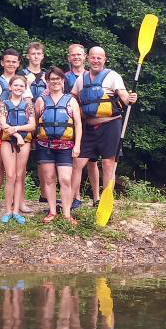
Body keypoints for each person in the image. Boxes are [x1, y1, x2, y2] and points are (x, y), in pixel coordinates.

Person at [70, 46, 137, 211]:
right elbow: (72, 97)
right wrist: (77, 112)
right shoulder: (81, 79)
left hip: (110, 125)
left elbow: (123, 96)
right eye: (93, 57)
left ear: (104, 59)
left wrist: (130, 99)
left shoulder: (112, 76)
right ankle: (72, 199)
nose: (96, 60)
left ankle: (106, 202)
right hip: (89, 127)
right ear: (88, 59)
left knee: (108, 164)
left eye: (99, 58)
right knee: (77, 162)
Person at [0, 49, 33, 214]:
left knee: (21, 169)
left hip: (20, 129)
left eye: (14, 61)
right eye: (8, 61)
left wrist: (16, 128)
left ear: (19, 63)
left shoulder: (21, 82)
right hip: (1, 128)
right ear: (2, 62)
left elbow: (27, 106)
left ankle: (20, 202)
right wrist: (7, 126)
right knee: (0, 165)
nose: (11, 64)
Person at [34, 66, 82, 222]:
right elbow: (35, 122)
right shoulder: (41, 101)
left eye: (58, 79)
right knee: (49, 179)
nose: (54, 82)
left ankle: (67, 213)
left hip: (65, 146)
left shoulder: (71, 100)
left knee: (65, 179)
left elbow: (78, 124)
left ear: (63, 81)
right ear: (47, 82)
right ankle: (53, 211)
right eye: (51, 79)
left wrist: (77, 145)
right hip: (44, 145)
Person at [64, 42, 99, 209]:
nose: (76, 57)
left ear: (85, 57)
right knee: (74, 159)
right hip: (72, 124)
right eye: (73, 55)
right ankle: (75, 197)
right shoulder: (64, 77)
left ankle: (96, 197)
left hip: (92, 122)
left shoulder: (93, 74)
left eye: (79, 54)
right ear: (69, 57)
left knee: (92, 162)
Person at [0, 73, 36, 224]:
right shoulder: (3, 104)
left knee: (20, 176)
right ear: (10, 87)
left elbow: (32, 125)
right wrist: (17, 136)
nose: (18, 88)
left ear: (25, 88)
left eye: (22, 86)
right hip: (8, 142)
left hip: (24, 143)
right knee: (11, 176)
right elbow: (3, 124)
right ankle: (7, 210)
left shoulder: (28, 106)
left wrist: (18, 130)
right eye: (16, 85)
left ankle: (16, 211)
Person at [22, 41, 48, 204]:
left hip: (44, 121)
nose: (36, 56)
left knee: (43, 158)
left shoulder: (48, 76)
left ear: (42, 56)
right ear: (28, 56)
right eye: (33, 54)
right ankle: (20, 196)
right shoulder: (22, 74)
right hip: (24, 121)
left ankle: (44, 194)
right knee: (21, 159)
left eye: (39, 54)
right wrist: (28, 83)